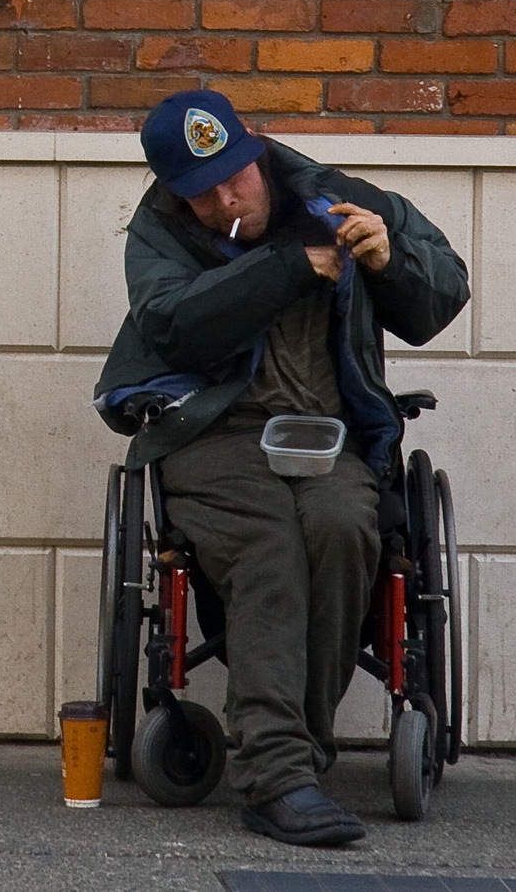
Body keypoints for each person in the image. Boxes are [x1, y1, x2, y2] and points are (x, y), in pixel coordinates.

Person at [95, 89, 467, 848]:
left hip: (328, 437)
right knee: (270, 543)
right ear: (174, 192)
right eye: (204, 194)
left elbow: (442, 298)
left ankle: (303, 755)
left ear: (255, 150)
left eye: (237, 176)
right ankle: (274, 775)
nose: (229, 198)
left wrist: (389, 260)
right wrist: (290, 265)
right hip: (215, 436)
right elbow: (175, 327)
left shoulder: (341, 196)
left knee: (338, 528)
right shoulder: (157, 235)